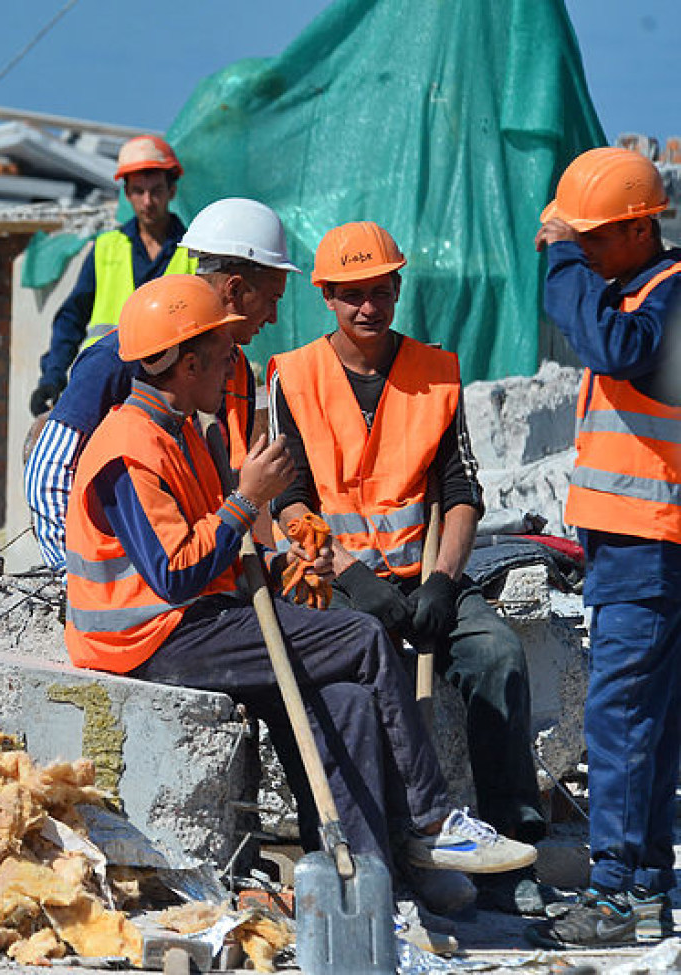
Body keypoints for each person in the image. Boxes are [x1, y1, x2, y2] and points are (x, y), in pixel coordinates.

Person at [64, 273, 536, 914]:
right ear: (188, 361)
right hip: (149, 637)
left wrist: (279, 558)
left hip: (203, 618)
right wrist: (247, 498)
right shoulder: (127, 447)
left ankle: (366, 890)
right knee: (364, 638)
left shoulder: (180, 430)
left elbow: (218, 545)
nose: (235, 365)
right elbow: (174, 572)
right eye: (224, 354)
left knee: (343, 700)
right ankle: (431, 822)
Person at [266, 221, 548, 916]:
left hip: (422, 577)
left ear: (398, 288)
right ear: (326, 296)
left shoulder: (435, 371)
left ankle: (510, 847)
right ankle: (388, 846)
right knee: (352, 697)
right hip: (333, 582)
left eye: (381, 291)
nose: (368, 307)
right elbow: (289, 501)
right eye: (352, 294)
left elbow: (462, 495)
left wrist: (444, 583)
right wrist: (350, 576)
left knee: (496, 654)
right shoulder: (292, 376)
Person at [526, 147, 681, 949]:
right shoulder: (638, 290)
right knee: (650, 720)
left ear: (638, 226)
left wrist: (555, 257)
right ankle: (648, 884)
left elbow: (615, 348)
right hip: (640, 543)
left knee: (621, 719)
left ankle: (617, 892)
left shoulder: (667, 298)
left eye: (592, 236)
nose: (580, 247)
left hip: (650, 548)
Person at [26, 197, 293, 573]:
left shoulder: (238, 373)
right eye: (270, 300)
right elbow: (49, 471)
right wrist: (67, 575)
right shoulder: (122, 359)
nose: (274, 316)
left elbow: (223, 490)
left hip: (197, 576)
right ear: (233, 290)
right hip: (138, 597)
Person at [29, 134, 195, 416]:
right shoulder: (106, 248)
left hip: (169, 395)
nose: (148, 201)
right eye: (138, 191)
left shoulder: (194, 251)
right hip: (105, 388)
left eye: (156, 190)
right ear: (127, 194)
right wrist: (53, 376)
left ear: (172, 191)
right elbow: (72, 317)